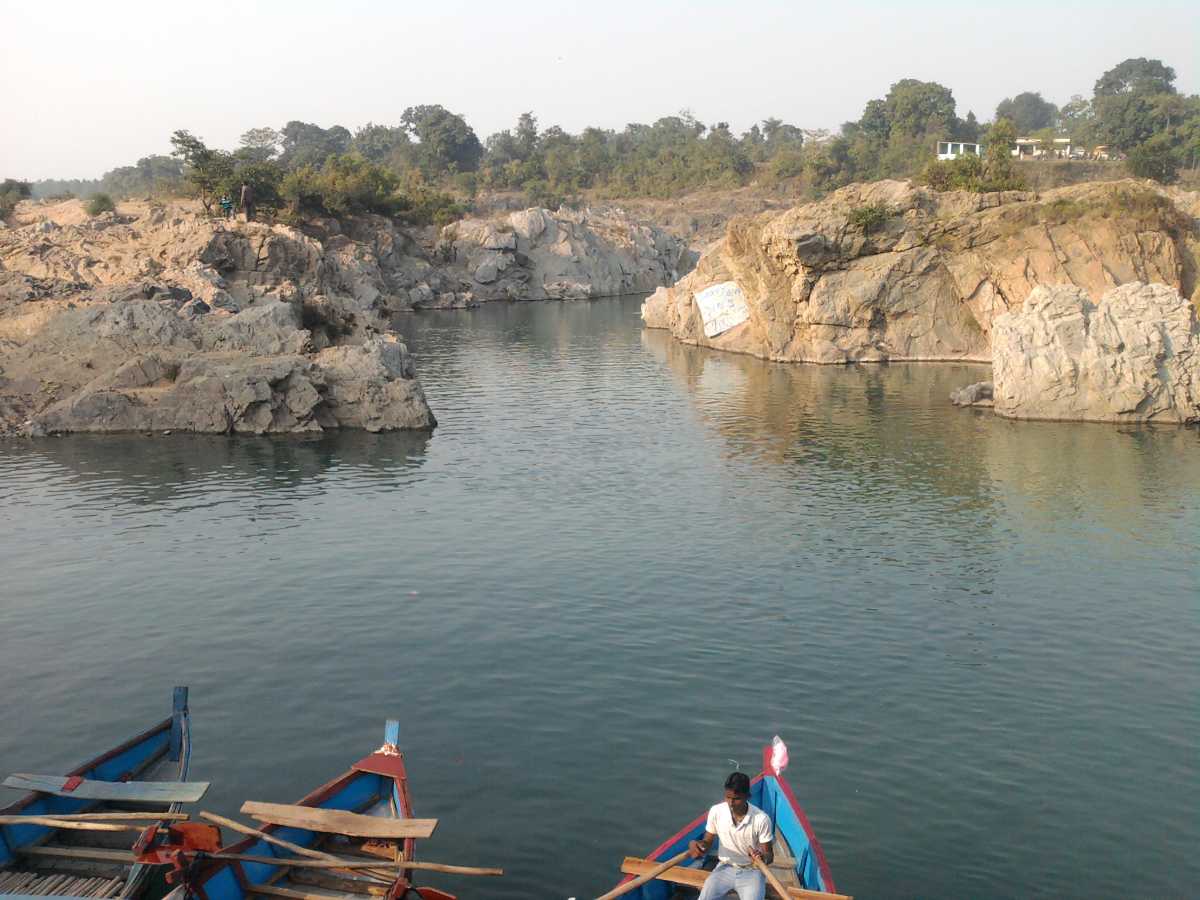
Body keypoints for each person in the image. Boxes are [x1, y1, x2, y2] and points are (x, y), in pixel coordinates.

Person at [688, 771, 774, 900]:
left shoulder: (761, 819)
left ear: (747, 796)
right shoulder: (716, 811)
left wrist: (761, 858)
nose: (731, 803)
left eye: (736, 799)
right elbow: (707, 842)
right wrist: (698, 845)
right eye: (728, 797)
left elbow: (769, 856)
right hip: (724, 867)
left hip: (752, 871)